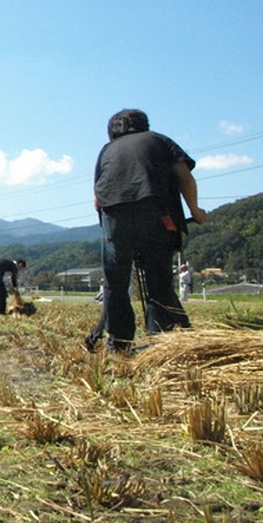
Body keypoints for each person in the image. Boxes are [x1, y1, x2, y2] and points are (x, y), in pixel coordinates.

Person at [89, 108, 208, 352]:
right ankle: (160, 341)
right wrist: (195, 210)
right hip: (155, 211)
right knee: (158, 279)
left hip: (115, 216)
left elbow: (97, 200)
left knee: (116, 283)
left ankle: (119, 343)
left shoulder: (107, 150)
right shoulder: (159, 140)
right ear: (144, 125)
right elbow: (184, 177)